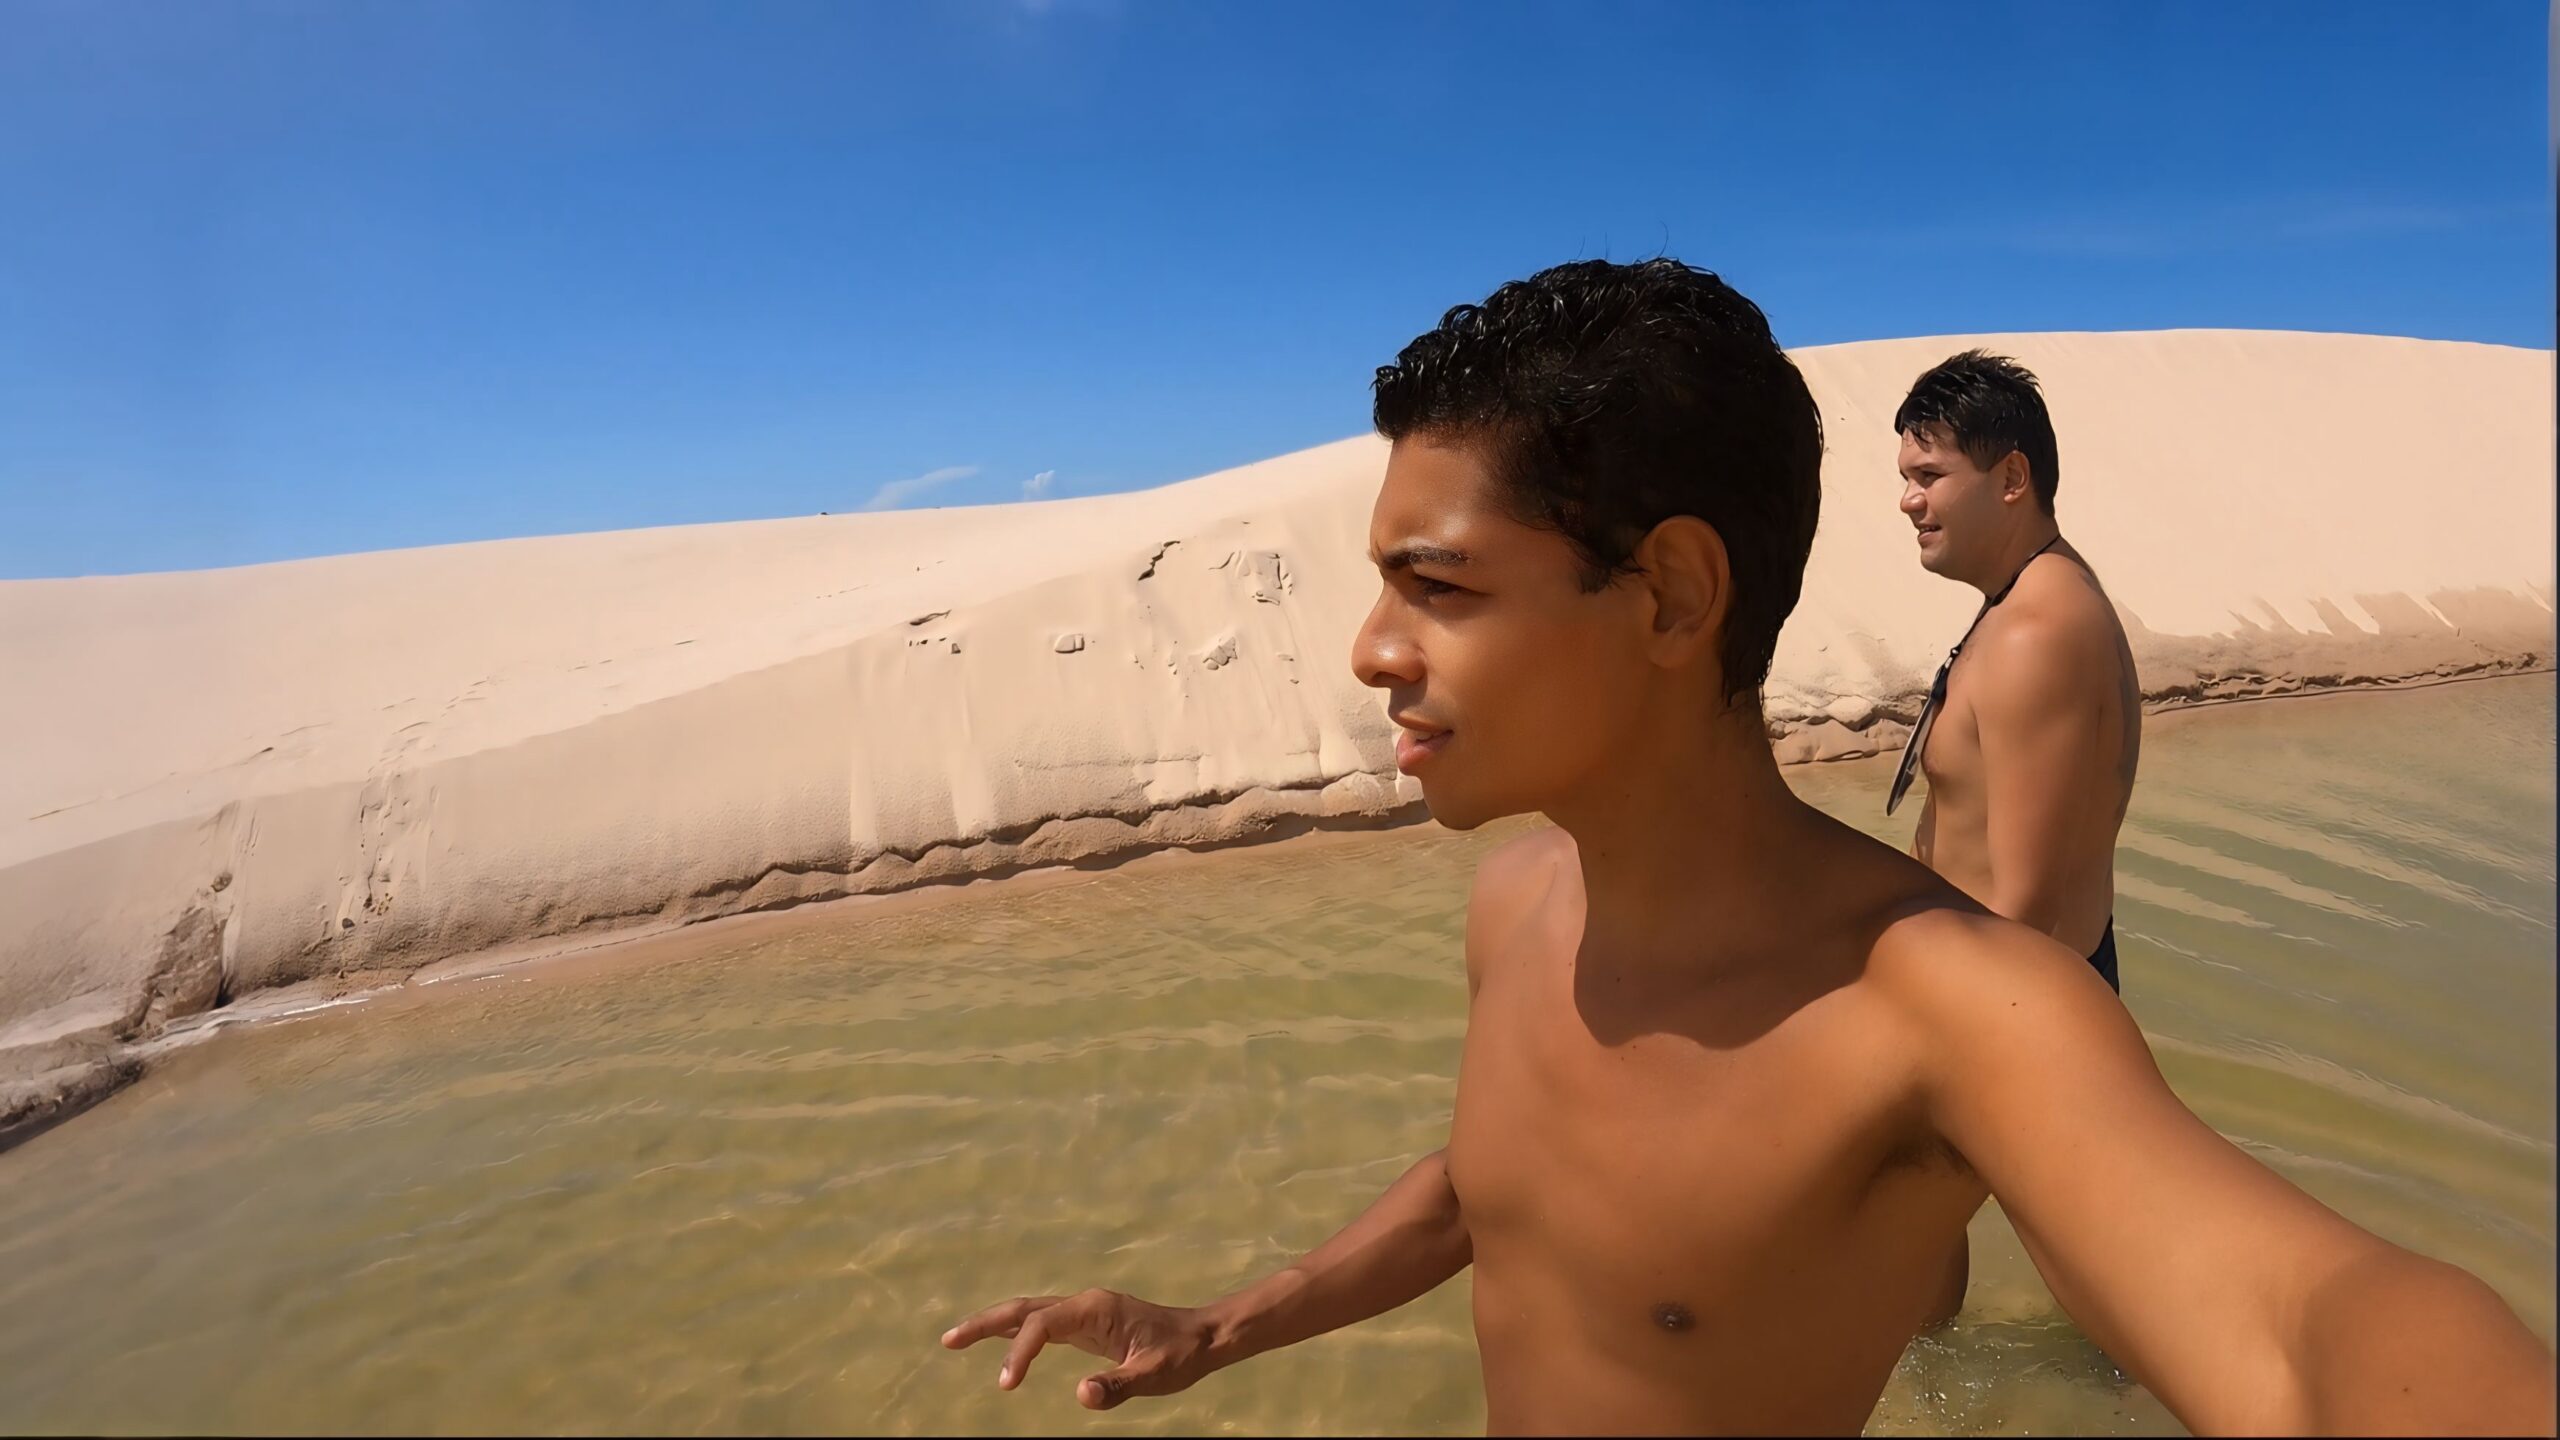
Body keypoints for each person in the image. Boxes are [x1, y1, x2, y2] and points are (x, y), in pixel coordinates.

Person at [938, 259, 2556, 1436]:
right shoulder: (1518, 904)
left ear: (1672, 595)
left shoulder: (1953, 1014)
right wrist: (1222, 1324)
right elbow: (1510, 1188)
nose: (1371, 650)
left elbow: (2311, 1327)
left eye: (1437, 586)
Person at [1886, 350, 2147, 1328]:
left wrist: (1933, 1047)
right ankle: (1939, 1379)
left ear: (2010, 477)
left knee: (1888, 1225)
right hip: (2016, 994)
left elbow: (2026, 902)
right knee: (2080, 1265)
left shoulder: (2038, 632)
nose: (1908, 503)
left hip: (2015, 1005)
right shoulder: (2022, 607)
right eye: (1903, 480)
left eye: (1927, 476)